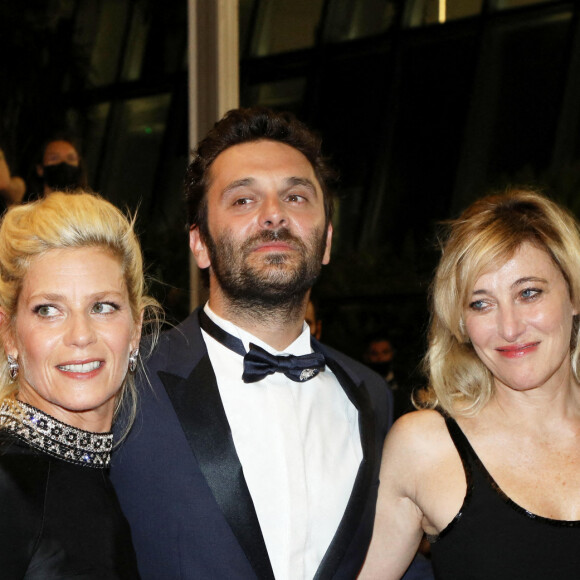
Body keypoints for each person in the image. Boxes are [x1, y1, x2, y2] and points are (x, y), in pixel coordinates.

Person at [110, 107, 394, 580]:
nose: (274, 216)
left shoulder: (373, 399)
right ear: (199, 244)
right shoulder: (127, 384)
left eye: (297, 197)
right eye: (243, 200)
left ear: (325, 241)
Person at [360, 189, 580, 579]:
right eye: (481, 303)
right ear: (460, 322)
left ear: (574, 295)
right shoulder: (425, 446)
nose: (509, 328)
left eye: (529, 293)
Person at [0, 191, 160, 577]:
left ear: (135, 330)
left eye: (102, 306)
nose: (80, 335)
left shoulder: (116, 479)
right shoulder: (7, 487)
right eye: (49, 310)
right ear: (9, 335)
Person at [28, 135, 87, 200]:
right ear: (40, 168)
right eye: (54, 158)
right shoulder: (26, 209)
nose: (63, 163)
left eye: (71, 158)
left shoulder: (90, 208)